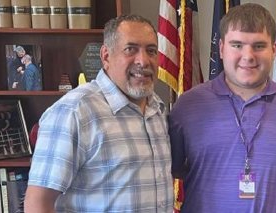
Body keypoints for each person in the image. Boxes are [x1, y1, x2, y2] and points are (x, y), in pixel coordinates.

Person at [168, 3, 276, 213]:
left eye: (258, 46)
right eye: (237, 45)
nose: (248, 56)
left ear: (274, 50)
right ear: (221, 49)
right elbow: (169, 171)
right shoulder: (187, 106)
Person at [24, 14, 173, 212]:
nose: (143, 61)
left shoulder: (158, 109)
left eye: (151, 51)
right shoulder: (73, 112)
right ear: (105, 56)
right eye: (131, 49)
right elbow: (38, 203)